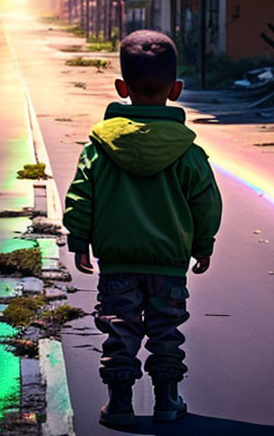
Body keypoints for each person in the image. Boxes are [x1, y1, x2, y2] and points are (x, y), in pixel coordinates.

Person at [63, 30, 222, 426]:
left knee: (119, 329)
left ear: (122, 88)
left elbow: (82, 194)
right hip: (168, 262)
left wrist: (79, 239)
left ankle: (119, 405)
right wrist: (203, 244)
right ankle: (167, 401)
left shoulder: (99, 147)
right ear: (176, 90)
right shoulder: (188, 151)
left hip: (116, 260)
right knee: (166, 329)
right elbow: (206, 202)